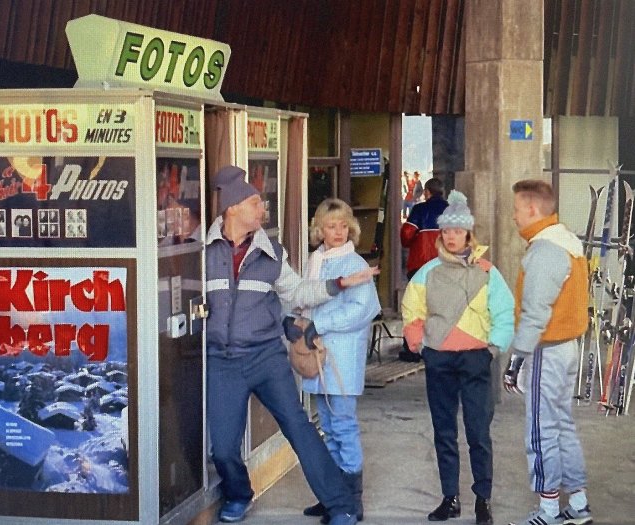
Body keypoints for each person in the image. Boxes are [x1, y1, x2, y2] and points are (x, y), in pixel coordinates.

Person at [205, 165, 378, 525]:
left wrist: (340, 283)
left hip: (266, 356)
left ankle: (341, 504)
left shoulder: (272, 253)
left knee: (300, 429)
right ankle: (238, 494)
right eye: (256, 203)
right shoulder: (202, 250)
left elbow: (298, 292)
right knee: (222, 447)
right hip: (222, 360)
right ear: (233, 208)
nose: (262, 211)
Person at [401, 190, 514, 525]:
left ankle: (483, 500)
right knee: (444, 431)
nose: (450, 236)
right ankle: (450, 498)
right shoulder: (427, 272)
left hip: (476, 359)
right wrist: (421, 344)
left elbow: (505, 312)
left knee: (478, 432)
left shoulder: (488, 272)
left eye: (457, 230)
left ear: (468, 233)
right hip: (440, 360)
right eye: (446, 231)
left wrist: (493, 348)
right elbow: (412, 310)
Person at [504, 180, 592, 525]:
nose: (513, 217)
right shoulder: (567, 241)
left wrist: (516, 359)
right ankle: (579, 504)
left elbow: (535, 313)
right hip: (567, 347)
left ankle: (549, 510)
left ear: (531, 209)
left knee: (540, 431)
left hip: (546, 349)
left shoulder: (544, 250)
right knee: (562, 425)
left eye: (515, 209)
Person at [293, 198, 380, 524]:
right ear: (319, 229)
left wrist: (321, 324)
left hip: (341, 356)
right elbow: (306, 298)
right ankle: (332, 495)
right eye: (332, 226)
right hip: (318, 355)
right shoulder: (318, 260)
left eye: (344, 225)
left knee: (342, 426)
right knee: (328, 428)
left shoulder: (354, 263)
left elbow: (363, 309)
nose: (339, 231)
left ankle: (350, 502)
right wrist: (296, 320)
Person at [399, 178, 449, 362]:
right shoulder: (451, 210)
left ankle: (412, 349)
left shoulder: (420, 210)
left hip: (419, 265)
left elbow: (406, 235)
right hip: (445, 265)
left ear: (427, 192)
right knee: (441, 306)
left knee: (415, 306)